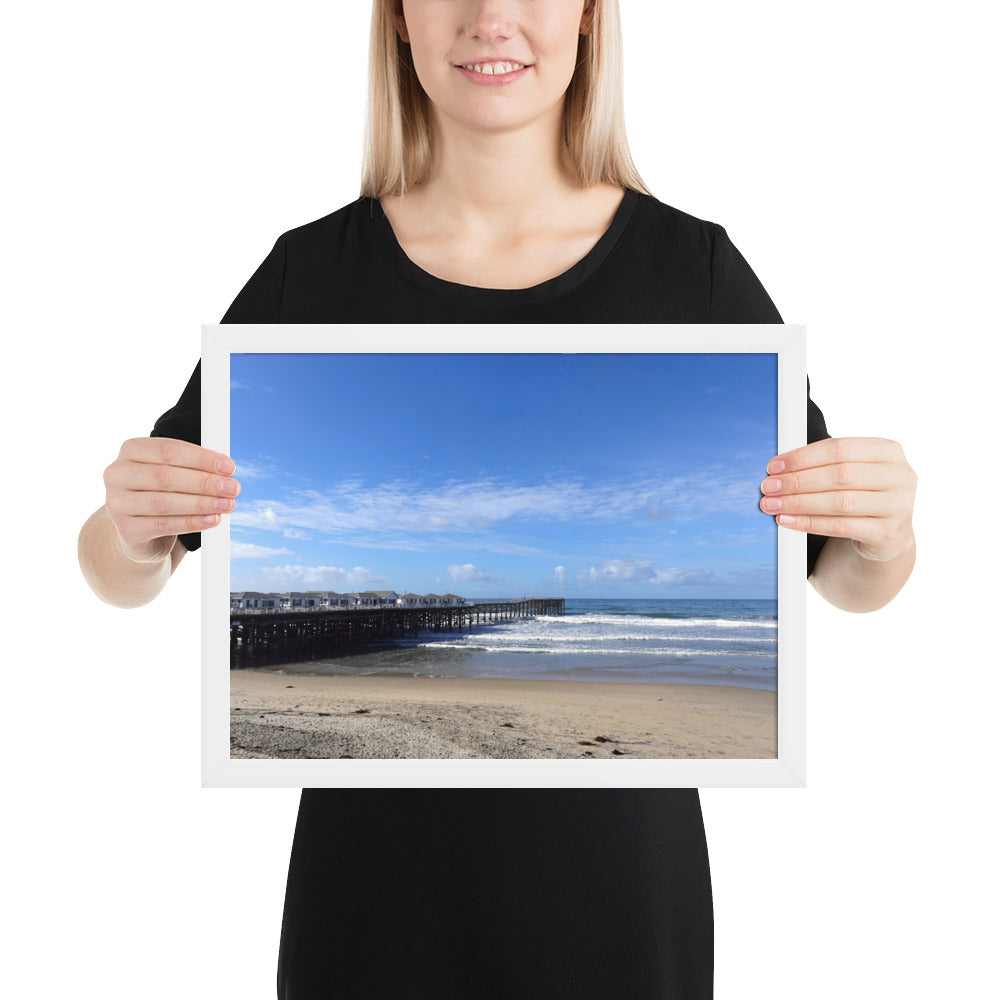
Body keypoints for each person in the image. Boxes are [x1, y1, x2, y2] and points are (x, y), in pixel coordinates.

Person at [78, 1, 917, 996]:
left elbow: (846, 578)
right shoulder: (310, 271)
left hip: (619, 886)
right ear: (396, 19)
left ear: (591, 18)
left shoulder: (692, 269)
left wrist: (884, 531)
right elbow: (119, 568)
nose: (491, 18)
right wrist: (132, 530)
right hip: (370, 885)